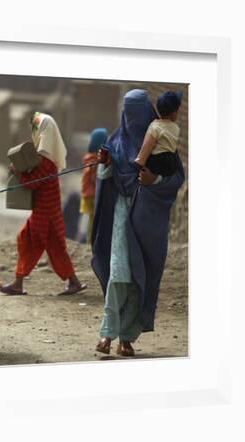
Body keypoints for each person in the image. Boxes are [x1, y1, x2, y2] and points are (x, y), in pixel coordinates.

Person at [91, 89, 185, 356]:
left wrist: (153, 181)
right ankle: (107, 334)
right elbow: (106, 177)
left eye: (137, 112)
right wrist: (105, 164)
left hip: (148, 221)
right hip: (122, 215)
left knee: (138, 278)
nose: (133, 119)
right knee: (119, 272)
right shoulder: (116, 141)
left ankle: (127, 338)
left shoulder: (162, 139)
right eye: (128, 112)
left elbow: (176, 178)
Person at [0, 112, 87, 296]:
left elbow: (33, 183)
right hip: (48, 212)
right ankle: (73, 282)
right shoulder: (47, 156)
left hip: (45, 214)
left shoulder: (45, 159)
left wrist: (18, 172)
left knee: (28, 241)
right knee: (53, 248)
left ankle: (18, 282)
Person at [134, 91, 183, 176]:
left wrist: (139, 161)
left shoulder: (154, 127)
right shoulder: (176, 128)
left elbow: (147, 146)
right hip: (171, 164)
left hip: (157, 163)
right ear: (173, 113)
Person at [79, 128, 107, 244]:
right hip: (93, 194)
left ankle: (90, 240)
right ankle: (91, 241)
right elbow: (93, 178)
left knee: (90, 219)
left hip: (87, 193)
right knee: (93, 219)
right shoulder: (95, 160)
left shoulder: (88, 156)